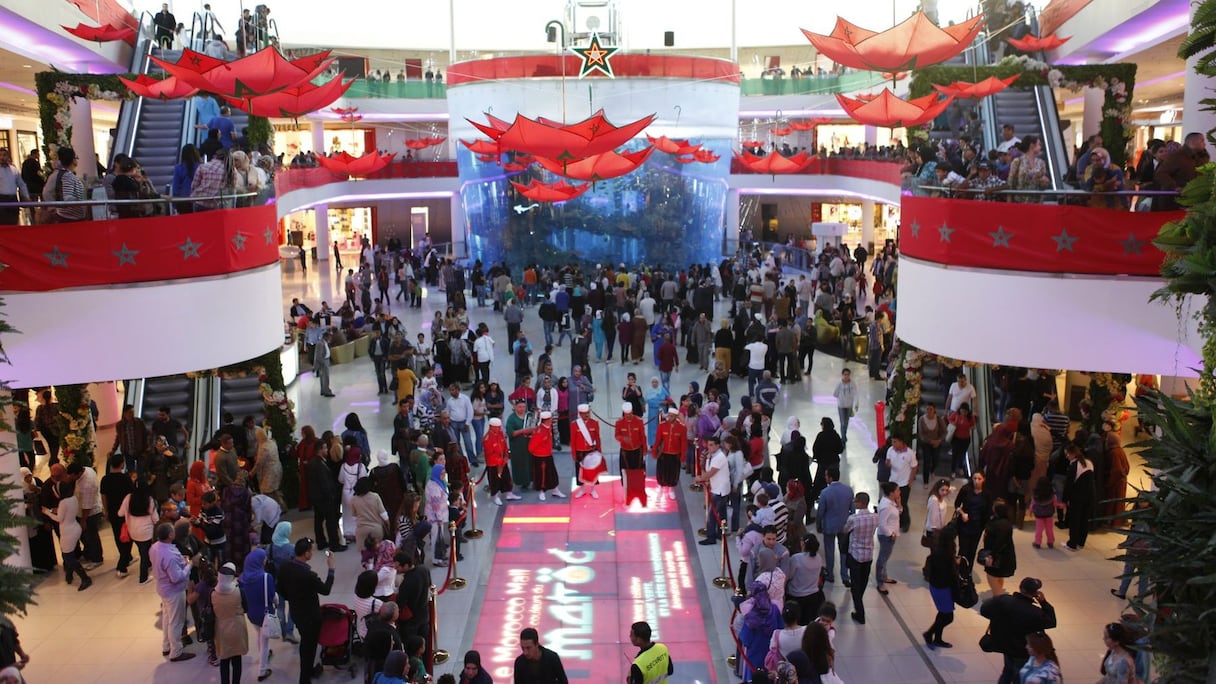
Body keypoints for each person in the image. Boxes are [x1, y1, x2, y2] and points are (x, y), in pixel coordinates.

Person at [279, 538, 337, 683]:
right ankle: (305, 677)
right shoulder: (308, 575)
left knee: (306, 642)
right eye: (311, 550)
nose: (312, 552)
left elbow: (279, 588)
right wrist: (331, 569)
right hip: (311, 617)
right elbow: (326, 590)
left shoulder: (286, 566)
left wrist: (292, 599)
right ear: (306, 554)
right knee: (309, 647)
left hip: (296, 613)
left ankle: (308, 670)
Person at [980, 577, 1057, 684]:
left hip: (1003, 643)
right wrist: (1044, 603)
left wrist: (998, 619)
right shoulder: (1035, 613)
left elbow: (984, 610)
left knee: (1007, 671)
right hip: (1021, 650)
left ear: (1020, 588)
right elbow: (1051, 622)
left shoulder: (1003, 600)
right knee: (1019, 674)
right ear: (1036, 593)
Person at [150, 522, 196, 661]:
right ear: (170, 535)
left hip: (163, 588)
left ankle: (166, 646)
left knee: (167, 618)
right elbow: (176, 578)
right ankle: (176, 652)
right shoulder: (169, 555)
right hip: (174, 591)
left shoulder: (155, 547)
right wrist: (189, 565)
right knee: (176, 621)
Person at [41, 479, 92, 591]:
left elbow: (59, 519)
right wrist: (57, 511)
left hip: (67, 531)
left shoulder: (63, 502)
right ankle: (69, 575)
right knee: (68, 554)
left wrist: (47, 512)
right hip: (75, 527)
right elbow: (66, 512)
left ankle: (85, 578)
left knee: (68, 556)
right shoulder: (73, 498)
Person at [238, 548, 277, 681]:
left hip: (251, 613)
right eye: (263, 558)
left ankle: (262, 655)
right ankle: (262, 670)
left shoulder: (243, 578)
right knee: (264, 640)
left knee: (260, 635)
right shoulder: (266, 577)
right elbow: (272, 596)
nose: (265, 559)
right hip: (264, 614)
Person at [841, 491, 878, 623]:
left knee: (855, 585)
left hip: (855, 555)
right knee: (863, 581)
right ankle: (859, 599)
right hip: (868, 555)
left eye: (856, 501)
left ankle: (860, 612)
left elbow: (845, 530)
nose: (854, 503)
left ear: (861, 503)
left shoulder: (853, 519)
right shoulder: (875, 517)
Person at [923, 527, 962, 649]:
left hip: (935, 586)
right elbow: (951, 575)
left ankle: (937, 638)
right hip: (943, 588)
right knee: (948, 616)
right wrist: (956, 565)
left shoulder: (936, 551)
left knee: (942, 613)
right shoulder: (947, 556)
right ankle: (929, 633)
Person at [816, 467, 853, 584]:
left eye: (826, 475)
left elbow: (820, 512)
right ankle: (845, 575)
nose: (825, 477)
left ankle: (830, 575)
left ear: (830, 477)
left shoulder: (825, 492)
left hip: (829, 525)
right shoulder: (848, 490)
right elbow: (852, 509)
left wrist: (819, 525)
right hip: (844, 525)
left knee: (829, 550)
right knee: (843, 550)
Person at [213, 562, 249, 684]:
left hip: (221, 629)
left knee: (224, 660)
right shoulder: (239, 592)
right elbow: (246, 608)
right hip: (237, 628)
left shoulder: (213, 593)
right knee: (236, 660)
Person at [1062, 444, 1096, 550]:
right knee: (1084, 519)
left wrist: (1064, 500)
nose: (1067, 456)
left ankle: (1072, 543)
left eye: (1067, 454)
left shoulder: (1074, 466)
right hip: (1090, 496)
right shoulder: (1089, 462)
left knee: (1075, 520)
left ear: (1072, 454)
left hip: (1077, 497)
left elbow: (1069, 485)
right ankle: (1081, 542)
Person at [955, 471, 991, 569]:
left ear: (983, 480)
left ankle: (968, 571)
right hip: (964, 525)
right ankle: (959, 571)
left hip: (977, 526)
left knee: (972, 550)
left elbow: (988, 512)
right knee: (963, 549)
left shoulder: (986, 494)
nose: (976, 481)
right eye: (974, 478)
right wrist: (962, 513)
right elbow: (957, 505)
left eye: (979, 479)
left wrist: (986, 528)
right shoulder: (966, 490)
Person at [615, 403, 648, 507]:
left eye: (630, 414)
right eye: (626, 414)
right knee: (625, 473)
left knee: (638, 473)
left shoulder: (639, 421)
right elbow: (616, 435)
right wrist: (623, 438)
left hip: (637, 451)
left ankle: (638, 492)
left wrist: (645, 451)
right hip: (625, 452)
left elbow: (643, 436)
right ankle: (626, 493)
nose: (628, 416)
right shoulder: (619, 422)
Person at [982, 500, 1017, 597]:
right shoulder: (1007, 523)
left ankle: (998, 597)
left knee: (992, 577)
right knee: (998, 576)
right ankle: (997, 595)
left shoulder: (998, 525)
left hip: (998, 557)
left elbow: (998, 543)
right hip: (1006, 556)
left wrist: (991, 555)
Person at [570, 404, 605, 499]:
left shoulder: (594, 423)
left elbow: (597, 438)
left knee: (593, 471)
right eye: (584, 414)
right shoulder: (574, 425)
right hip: (580, 451)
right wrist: (573, 453)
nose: (587, 415)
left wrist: (599, 450)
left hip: (591, 451)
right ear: (580, 414)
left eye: (588, 413)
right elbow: (573, 440)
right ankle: (582, 489)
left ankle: (593, 489)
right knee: (580, 472)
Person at [652, 408, 686, 501]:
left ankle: (671, 489)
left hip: (675, 454)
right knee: (661, 472)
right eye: (668, 416)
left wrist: (683, 455)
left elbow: (683, 443)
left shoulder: (682, 428)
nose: (669, 418)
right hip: (663, 454)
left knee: (673, 473)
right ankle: (660, 488)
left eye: (671, 416)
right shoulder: (662, 426)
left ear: (675, 417)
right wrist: (654, 450)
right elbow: (658, 440)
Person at [529, 411, 564, 500]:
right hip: (541, 457)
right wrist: (538, 454)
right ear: (547, 420)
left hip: (548, 455)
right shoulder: (540, 431)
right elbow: (531, 447)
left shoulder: (548, 427)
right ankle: (542, 492)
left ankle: (555, 489)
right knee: (542, 476)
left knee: (552, 473)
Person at [874, 482, 901, 595]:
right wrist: (890, 534)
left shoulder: (891, 503)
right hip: (886, 536)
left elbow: (898, 512)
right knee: (882, 559)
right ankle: (880, 582)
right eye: (897, 490)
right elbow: (882, 523)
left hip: (890, 535)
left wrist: (899, 504)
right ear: (891, 493)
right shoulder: (886, 506)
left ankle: (884, 576)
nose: (899, 492)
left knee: (885, 558)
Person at [832, 368, 858, 443]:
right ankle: (843, 438)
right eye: (845, 375)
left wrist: (856, 404)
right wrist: (840, 398)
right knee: (843, 423)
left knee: (846, 422)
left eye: (848, 375)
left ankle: (844, 435)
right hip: (841, 406)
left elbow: (856, 393)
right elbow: (835, 394)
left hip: (849, 406)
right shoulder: (839, 383)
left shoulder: (852, 383)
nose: (846, 376)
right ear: (842, 375)